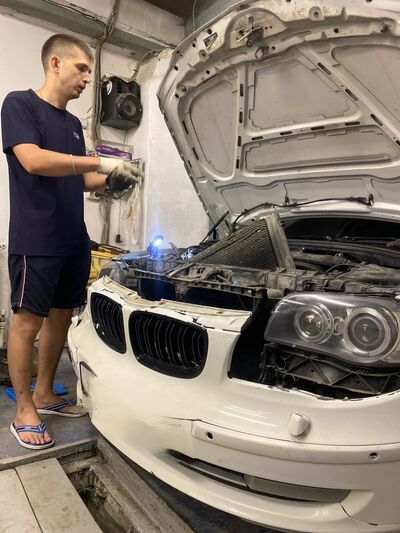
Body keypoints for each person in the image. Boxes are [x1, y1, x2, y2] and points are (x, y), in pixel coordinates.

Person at [1, 33, 141, 450]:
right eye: (82, 68)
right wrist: (100, 161)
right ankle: (24, 409)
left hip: (72, 239)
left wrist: (112, 179)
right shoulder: (19, 104)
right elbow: (33, 160)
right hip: (36, 238)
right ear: (55, 63)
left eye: (89, 71)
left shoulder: (73, 125)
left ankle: (45, 393)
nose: (86, 79)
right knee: (27, 323)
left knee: (61, 318)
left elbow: (81, 180)